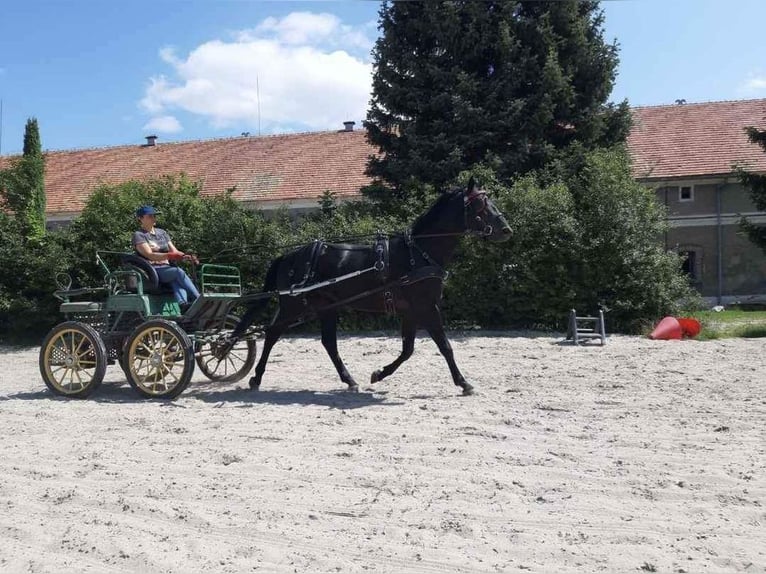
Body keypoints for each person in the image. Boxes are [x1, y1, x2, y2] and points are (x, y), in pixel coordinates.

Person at [132, 205, 200, 307]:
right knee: (178, 272)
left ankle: (183, 305)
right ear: (140, 219)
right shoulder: (139, 235)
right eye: (150, 216)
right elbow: (150, 255)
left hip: (167, 269)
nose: (154, 218)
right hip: (152, 270)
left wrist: (186, 257)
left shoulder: (162, 233)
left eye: (154, 216)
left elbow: (175, 251)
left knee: (174, 279)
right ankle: (198, 298)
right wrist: (169, 255)